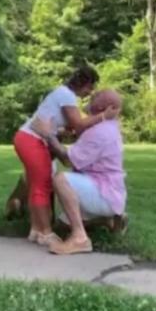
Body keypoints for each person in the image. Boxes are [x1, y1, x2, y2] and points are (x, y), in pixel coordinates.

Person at [11, 65, 119, 246]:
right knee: (42, 184)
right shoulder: (67, 95)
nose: (90, 92)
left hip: (31, 139)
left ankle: (36, 231)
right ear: (83, 83)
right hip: (32, 140)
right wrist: (103, 116)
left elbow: (66, 127)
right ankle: (45, 233)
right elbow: (78, 124)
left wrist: (62, 131)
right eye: (90, 87)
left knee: (38, 183)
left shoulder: (63, 93)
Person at [31, 89, 127, 255]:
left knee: (61, 179)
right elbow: (82, 137)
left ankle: (80, 238)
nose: (92, 96)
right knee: (62, 225)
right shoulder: (105, 126)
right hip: (106, 191)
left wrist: (48, 135)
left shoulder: (101, 132)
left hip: (104, 193)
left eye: (97, 96)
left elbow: (68, 160)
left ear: (105, 107)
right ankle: (108, 220)